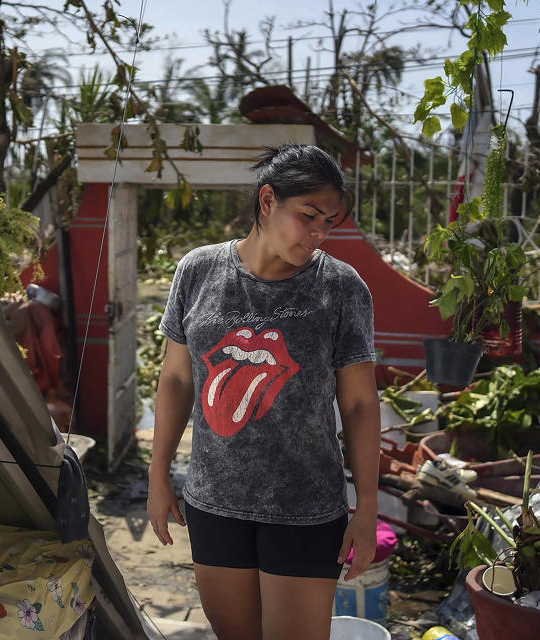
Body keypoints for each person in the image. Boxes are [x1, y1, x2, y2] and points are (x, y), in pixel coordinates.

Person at [147, 143, 381, 640]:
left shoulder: (340, 288)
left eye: (329, 222)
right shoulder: (199, 271)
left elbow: (359, 403)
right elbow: (176, 378)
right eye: (309, 215)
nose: (319, 233)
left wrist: (367, 506)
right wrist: (158, 472)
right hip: (213, 504)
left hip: (305, 509)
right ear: (269, 200)